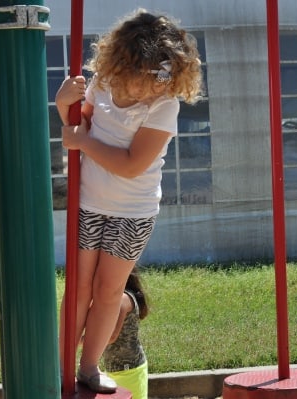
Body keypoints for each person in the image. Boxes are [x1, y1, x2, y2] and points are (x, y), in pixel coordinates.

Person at [55, 8, 202, 393]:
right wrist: (62, 106)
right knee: (78, 289)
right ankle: (60, 368)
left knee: (107, 292)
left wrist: (83, 142)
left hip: (132, 213)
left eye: (162, 80)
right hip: (89, 203)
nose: (152, 90)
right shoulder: (101, 85)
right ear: (124, 65)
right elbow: (79, 123)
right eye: (146, 80)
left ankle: (88, 367)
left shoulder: (163, 106)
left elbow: (133, 164)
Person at [103, 269, 150, 399]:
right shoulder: (114, 298)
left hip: (129, 369)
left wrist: (76, 341)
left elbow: (111, 336)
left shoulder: (123, 299)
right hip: (117, 368)